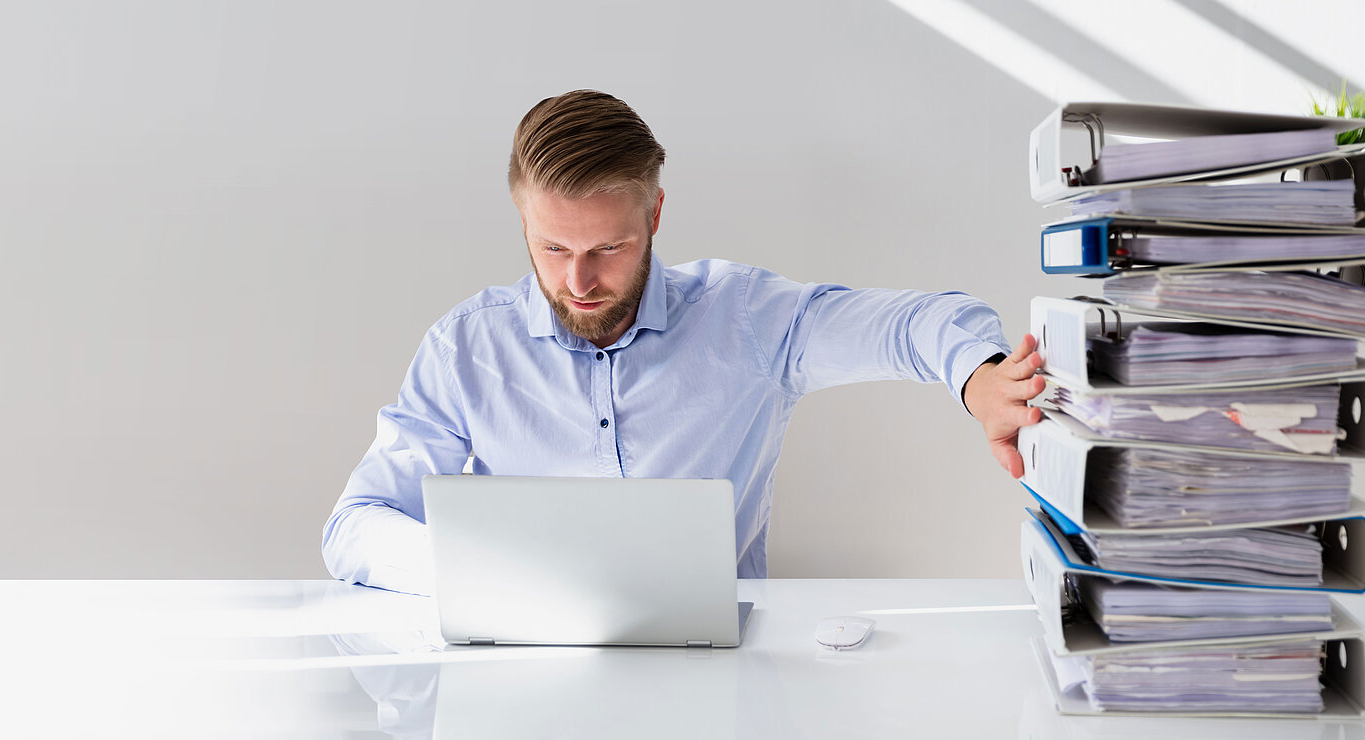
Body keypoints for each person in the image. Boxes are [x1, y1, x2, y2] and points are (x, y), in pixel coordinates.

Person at [320, 90, 1046, 596]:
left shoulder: (747, 319)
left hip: (717, 684)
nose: (579, 281)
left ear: (656, 214)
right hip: (517, 681)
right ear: (521, 223)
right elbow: (355, 526)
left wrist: (977, 377)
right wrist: (476, 569)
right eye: (551, 248)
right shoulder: (466, 349)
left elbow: (917, 322)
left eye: (609, 247)